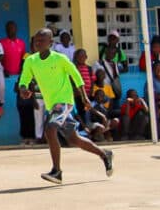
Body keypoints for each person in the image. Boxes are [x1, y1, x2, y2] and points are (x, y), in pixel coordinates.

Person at [18, 28, 114, 184]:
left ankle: (57, 171)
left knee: (50, 129)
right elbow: (24, 79)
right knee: (74, 139)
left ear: (50, 43)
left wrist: (84, 97)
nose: (38, 43)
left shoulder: (60, 58)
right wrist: (23, 90)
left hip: (64, 102)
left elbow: (76, 76)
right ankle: (105, 154)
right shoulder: (31, 60)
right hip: (51, 105)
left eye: (42, 40)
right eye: (36, 40)